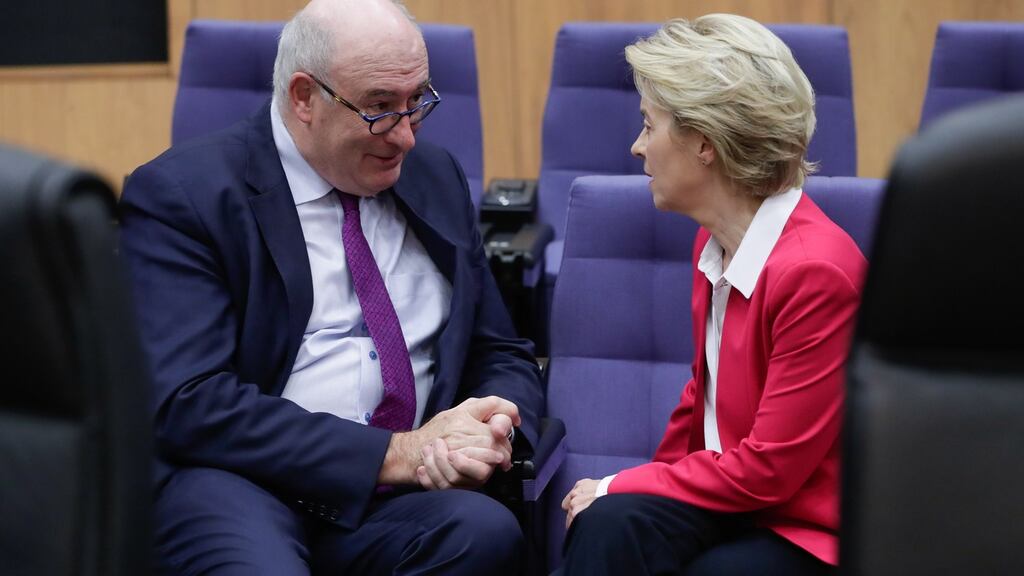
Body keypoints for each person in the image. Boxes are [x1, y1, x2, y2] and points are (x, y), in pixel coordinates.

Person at [118, 0, 543, 574]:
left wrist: (494, 424)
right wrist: (392, 454)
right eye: (379, 109)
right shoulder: (184, 196)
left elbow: (498, 349)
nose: (405, 136)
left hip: (400, 499)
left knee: (484, 534)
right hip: (242, 482)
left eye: (417, 102)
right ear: (303, 97)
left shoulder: (434, 177)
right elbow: (188, 401)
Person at [558, 14, 865, 576]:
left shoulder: (815, 272)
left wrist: (620, 483)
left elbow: (771, 469)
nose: (636, 147)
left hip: (803, 528)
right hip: (735, 504)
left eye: (649, 126)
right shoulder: (717, 240)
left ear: (703, 143)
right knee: (610, 526)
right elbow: (703, 397)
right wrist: (631, 496)